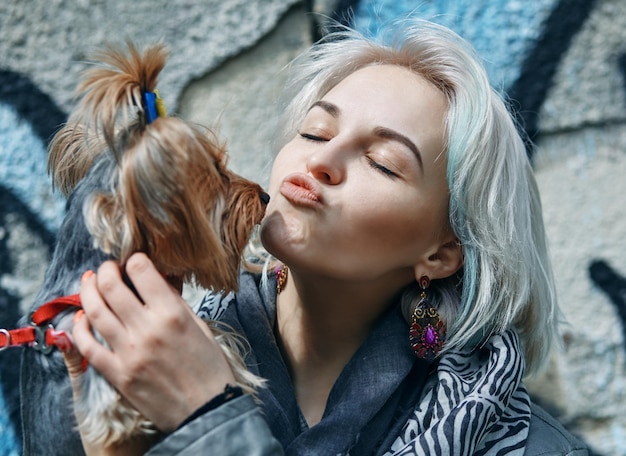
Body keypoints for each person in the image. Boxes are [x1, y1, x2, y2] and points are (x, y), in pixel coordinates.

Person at [63, 18, 588, 455]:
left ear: (442, 253)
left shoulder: (523, 446)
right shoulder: (134, 366)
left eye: (383, 163)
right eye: (314, 130)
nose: (321, 160)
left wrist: (209, 419)